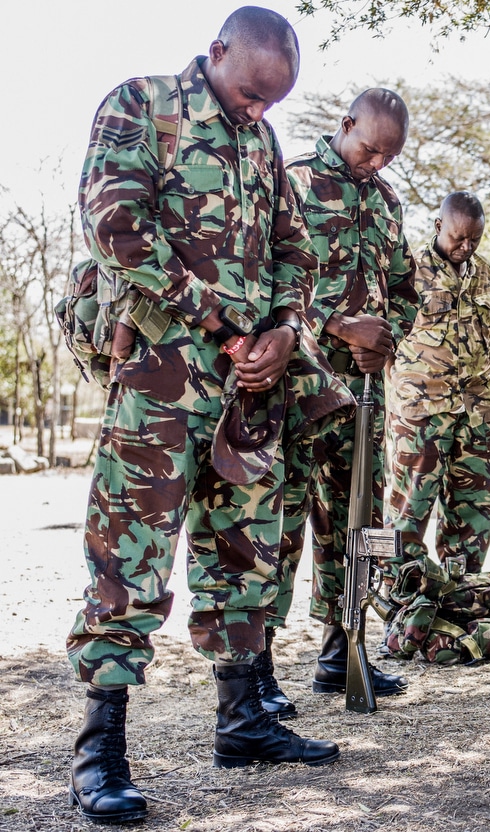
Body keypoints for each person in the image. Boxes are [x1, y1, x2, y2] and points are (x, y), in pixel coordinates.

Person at [66, 8, 339, 825]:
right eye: (253, 94)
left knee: (246, 550)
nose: (260, 114)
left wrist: (286, 329)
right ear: (217, 53)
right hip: (161, 379)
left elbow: (295, 246)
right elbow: (116, 226)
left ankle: (244, 720)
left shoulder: (261, 144)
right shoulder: (142, 105)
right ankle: (100, 751)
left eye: (274, 104)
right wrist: (223, 326)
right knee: (130, 561)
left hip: (249, 387)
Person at [260, 88, 418, 719]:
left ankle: (341, 650)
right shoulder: (292, 180)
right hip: (300, 387)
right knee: (282, 523)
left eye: (390, 155)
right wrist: (339, 326)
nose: (377, 163)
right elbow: (269, 277)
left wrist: (387, 338)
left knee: (355, 528)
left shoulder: (388, 203)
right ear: (345, 125)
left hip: (364, 397)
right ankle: (260, 666)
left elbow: (406, 286)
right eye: (370, 147)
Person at [386, 191, 490, 577]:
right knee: (409, 511)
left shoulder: (484, 271)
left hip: (476, 410)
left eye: (475, 240)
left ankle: (459, 597)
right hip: (422, 412)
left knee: (473, 512)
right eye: (458, 238)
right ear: (438, 226)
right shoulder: (407, 270)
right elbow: (385, 337)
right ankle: (402, 607)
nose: (466, 247)